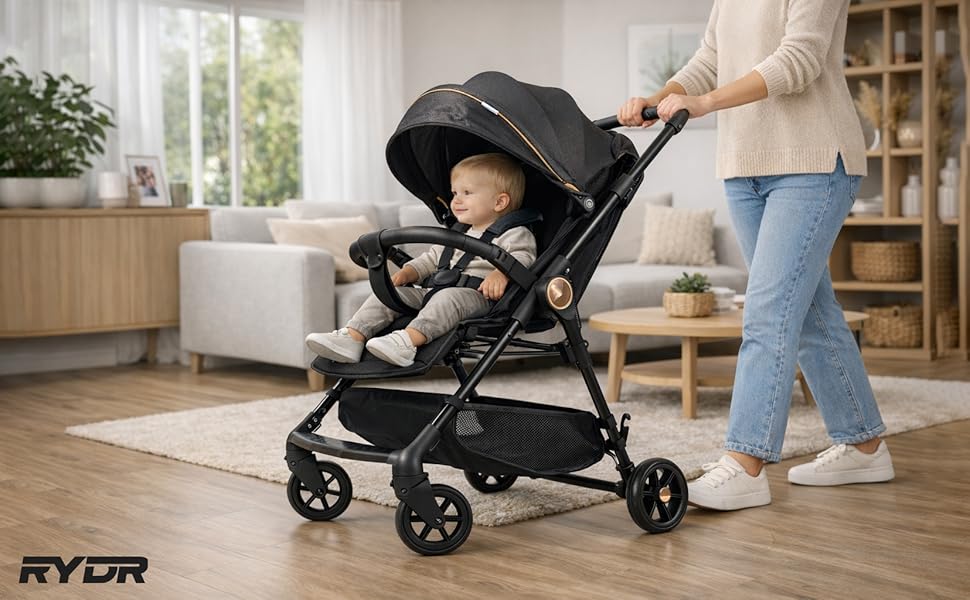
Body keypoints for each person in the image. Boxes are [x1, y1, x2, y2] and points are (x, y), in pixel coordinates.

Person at [618, 0, 894, 511]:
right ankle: (864, 445)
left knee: (767, 313)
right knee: (809, 311)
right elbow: (709, 58)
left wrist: (705, 104)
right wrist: (656, 100)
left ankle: (746, 463)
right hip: (743, 166)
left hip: (812, 162)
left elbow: (799, 60)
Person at [305, 153, 537, 368]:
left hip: (479, 297)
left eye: (467, 193)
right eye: (455, 193)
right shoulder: (456, 233)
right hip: (434, 290)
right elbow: (431, 259)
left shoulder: (514, 233)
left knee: (448, 297)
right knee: (390, 294)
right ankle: (353, 336)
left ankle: (407, 342)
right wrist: (409, 272)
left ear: (499, 202)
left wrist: (501, 273)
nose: (456, 200)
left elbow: (523, 258)